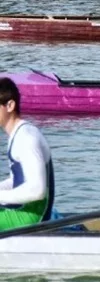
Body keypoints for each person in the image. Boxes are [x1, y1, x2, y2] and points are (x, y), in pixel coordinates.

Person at [0, 78, 55, 231]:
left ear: (10, 105)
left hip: (31, 219)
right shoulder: (18, 134)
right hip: (21, 212)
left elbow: (37, 190)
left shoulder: (26, 138)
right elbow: (18, 181)